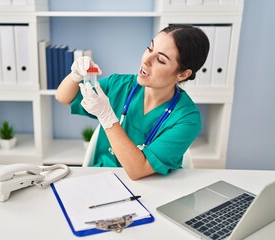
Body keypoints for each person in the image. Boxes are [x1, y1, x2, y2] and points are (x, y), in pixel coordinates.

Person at [56, 24, 209, 180]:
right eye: (149, 49)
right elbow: (64, 97)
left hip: (152, 189)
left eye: (160, 60)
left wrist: (108, 118)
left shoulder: (187, 118)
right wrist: (75, 76)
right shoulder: (118, 85)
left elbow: (138, 170)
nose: (146, 60)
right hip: (101, 179)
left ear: (183, 74)